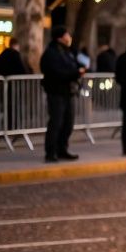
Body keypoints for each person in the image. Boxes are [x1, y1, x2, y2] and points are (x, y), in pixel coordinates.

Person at [40, 26, 84, 162]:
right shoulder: (51, 53)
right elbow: (56, 72)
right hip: (56, 92)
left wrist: (78, 71)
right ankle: (51, 152)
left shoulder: (68, 52)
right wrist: (75, 73)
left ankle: (62, 149)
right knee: (56, 122)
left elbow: (75, 65)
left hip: (69, 92)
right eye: (67, 35)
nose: (69, 37)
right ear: (60, 37)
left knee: (68, 123)